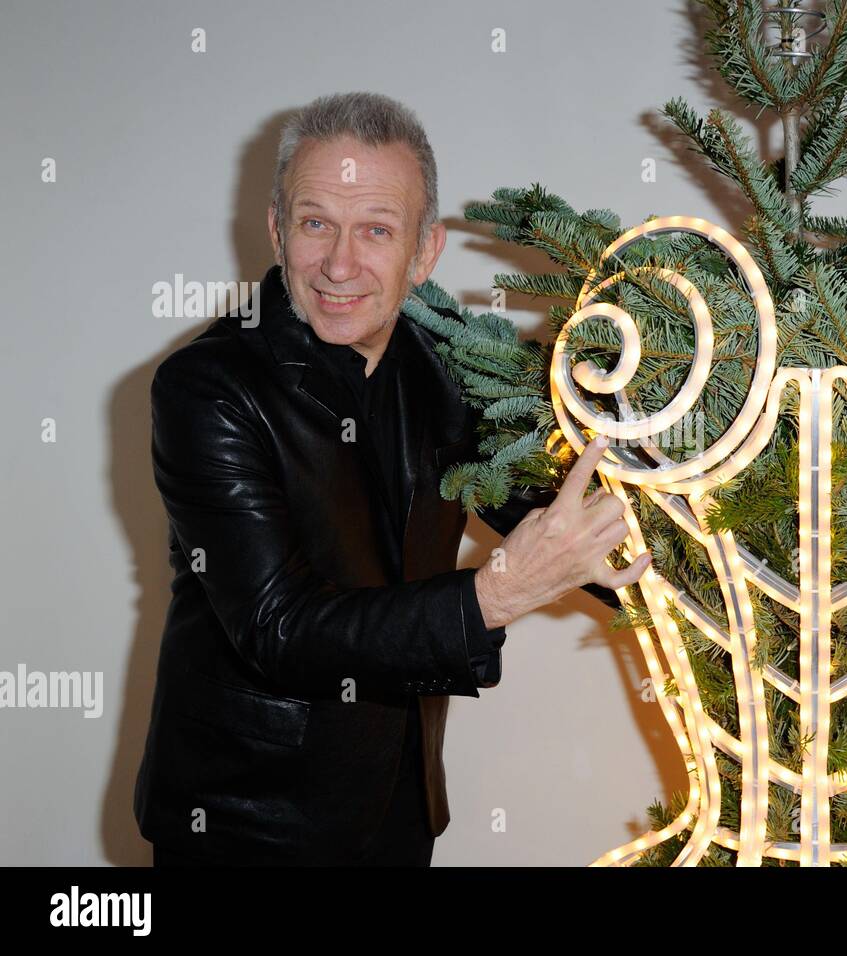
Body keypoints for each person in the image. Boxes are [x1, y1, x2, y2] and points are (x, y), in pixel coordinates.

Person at [133, 91, 651, 867]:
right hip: (245, 828)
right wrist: (499, 593)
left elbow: (543, 509)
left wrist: (696, 560)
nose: (340, 265)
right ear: (277, 230)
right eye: (316, 224)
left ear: (424, 252)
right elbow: (281, 627)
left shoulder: (445, 368)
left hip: (399, 813)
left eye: (376, 230)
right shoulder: (206, 389)